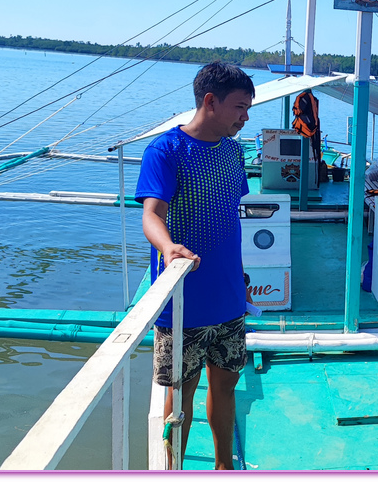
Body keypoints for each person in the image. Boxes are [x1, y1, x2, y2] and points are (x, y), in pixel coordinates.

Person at [135, 61, 256, 470]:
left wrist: (238, 275)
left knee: (226, 384)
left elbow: (226, 215)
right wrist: (168, 246)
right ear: (210, 101)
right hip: (183, 303)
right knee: (180, 392)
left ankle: (224, 467)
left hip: (228, 297)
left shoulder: (234, 152)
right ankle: (175, 470)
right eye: (240, 106)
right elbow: (152, 213)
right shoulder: (166, 150)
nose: (245, 116)